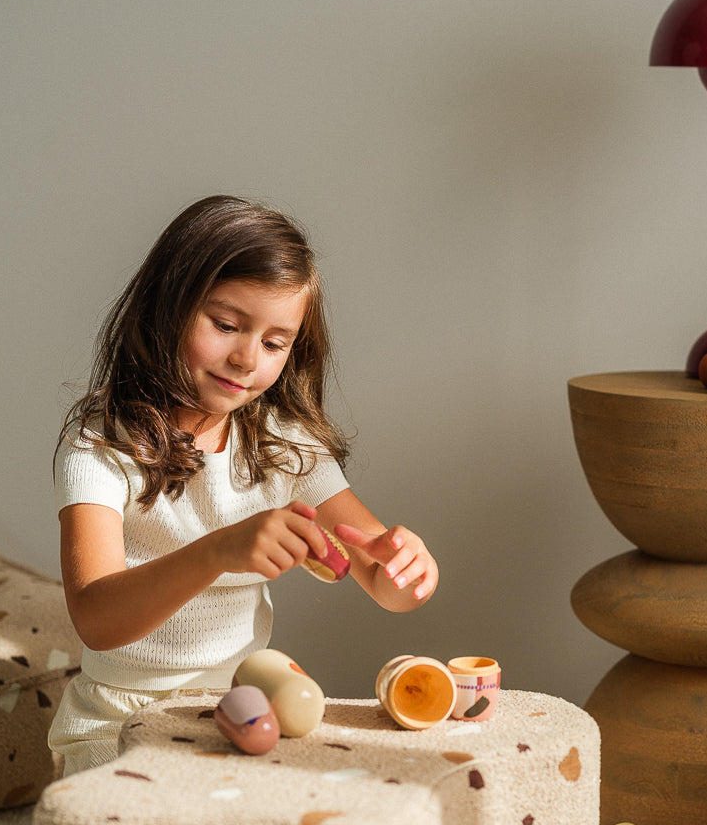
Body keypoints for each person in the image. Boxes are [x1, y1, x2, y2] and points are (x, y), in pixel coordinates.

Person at [49, 195, 438, 774]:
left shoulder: (282, 445)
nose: (246, 359)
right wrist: (218, 552)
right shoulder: (101, 445)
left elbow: (386, 585)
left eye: (275, 343)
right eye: (227, 325)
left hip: (241, 706)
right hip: (118, 718)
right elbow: (96, 620)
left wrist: (406, 569)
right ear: (166, 307)